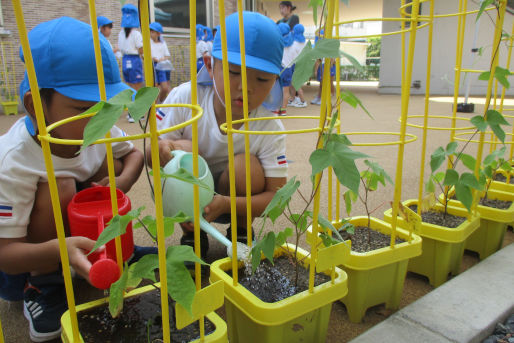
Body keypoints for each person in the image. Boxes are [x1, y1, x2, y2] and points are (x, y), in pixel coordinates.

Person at [0, 17, 148, 342]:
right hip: (25, 256)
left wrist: (118, 185)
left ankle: (111, 249)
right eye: (83, 109)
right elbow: (6, 254)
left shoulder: (99, 127)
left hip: (76, 224)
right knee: (61, 183)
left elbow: (135, 154)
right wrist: (59, 251)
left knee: (107, 164)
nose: (98, 122)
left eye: (105, 108)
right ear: (35, 106)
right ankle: (44, 286)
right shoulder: (14, 160)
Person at [148, 12, 287, 257]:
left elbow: (277, 197)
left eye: (262, 78)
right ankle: (192, 232)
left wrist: (227, 204)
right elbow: (149, 154)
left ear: (276, 79)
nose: (246, 86)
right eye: (235, 73)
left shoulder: (269, 125)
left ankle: (241, 230)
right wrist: (161, 148)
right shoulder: (185, 98)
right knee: (185, 150)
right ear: (210, 65)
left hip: (236, 199)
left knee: (246, 165)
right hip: (188, 195)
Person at [118, 4, 144, 122]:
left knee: (129, 87)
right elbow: (141, 49)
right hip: (134, 60)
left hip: (125, 60)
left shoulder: (121, 33)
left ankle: (130, 113)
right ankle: (134, 114)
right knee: (137, 88)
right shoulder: (136, 33)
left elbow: (120, 48)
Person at [149, 22, 172, 103]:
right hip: (153, 65)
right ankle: (155, 107)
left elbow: (167, 55)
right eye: (150, 32)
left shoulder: (162, 43)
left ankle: (161, 102)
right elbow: (144, 55)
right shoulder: (148, 43)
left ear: (158, 33)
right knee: (155, 87)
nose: (151, 34)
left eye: (153, 32)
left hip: (162, 66)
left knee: (165, 87)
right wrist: (153, 58)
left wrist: (161, 59)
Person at [312, 29, 336, 105]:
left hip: (328, 66)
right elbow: (318, 59)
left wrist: (329, 68)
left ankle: (325, 97)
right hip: (322, 66)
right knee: (321, 84)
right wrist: (316, 70)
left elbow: (332, 59)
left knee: (328, 83)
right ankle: (319, 97)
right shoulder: (319, 46)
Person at [276, 22, 294, 116]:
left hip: (279, 68)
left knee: (276, 89)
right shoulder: (293, 43)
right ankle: (283, 110)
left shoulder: (278, 42)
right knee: (285, 91)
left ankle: (275, 108)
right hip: (289, 68)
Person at [288, 23, 307, 108]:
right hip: (302, 64)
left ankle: (303, 101)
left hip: (294, 65)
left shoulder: (293, 43)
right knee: (293, 83)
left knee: (296, 84)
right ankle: (292, 99)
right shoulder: (305, 43)